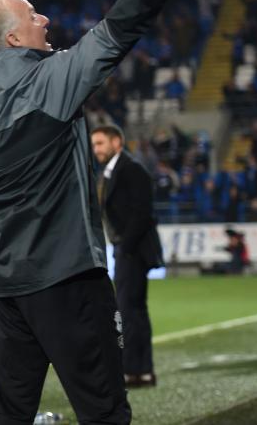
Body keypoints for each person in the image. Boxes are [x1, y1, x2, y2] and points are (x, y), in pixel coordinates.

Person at [0, 0, 197, 424]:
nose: (45, 19)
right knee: (104, 410)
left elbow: (2, 50)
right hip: (66, 277)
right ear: (16, 42)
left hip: (7, 287)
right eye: (32, 18)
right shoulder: (48, 87)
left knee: (8, 413)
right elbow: (117, 31)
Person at [91, 125, 164, 388]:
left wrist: (125, 247)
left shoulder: (131, 169)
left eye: (100, 143)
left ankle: (132, 370)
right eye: (95, 144)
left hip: (132, 251)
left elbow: (142, 213)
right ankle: (142, 370)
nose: (96, 149)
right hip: (128, 249)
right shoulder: (112, 172)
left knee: (127, 311)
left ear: (116, 142)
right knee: (134, 311)